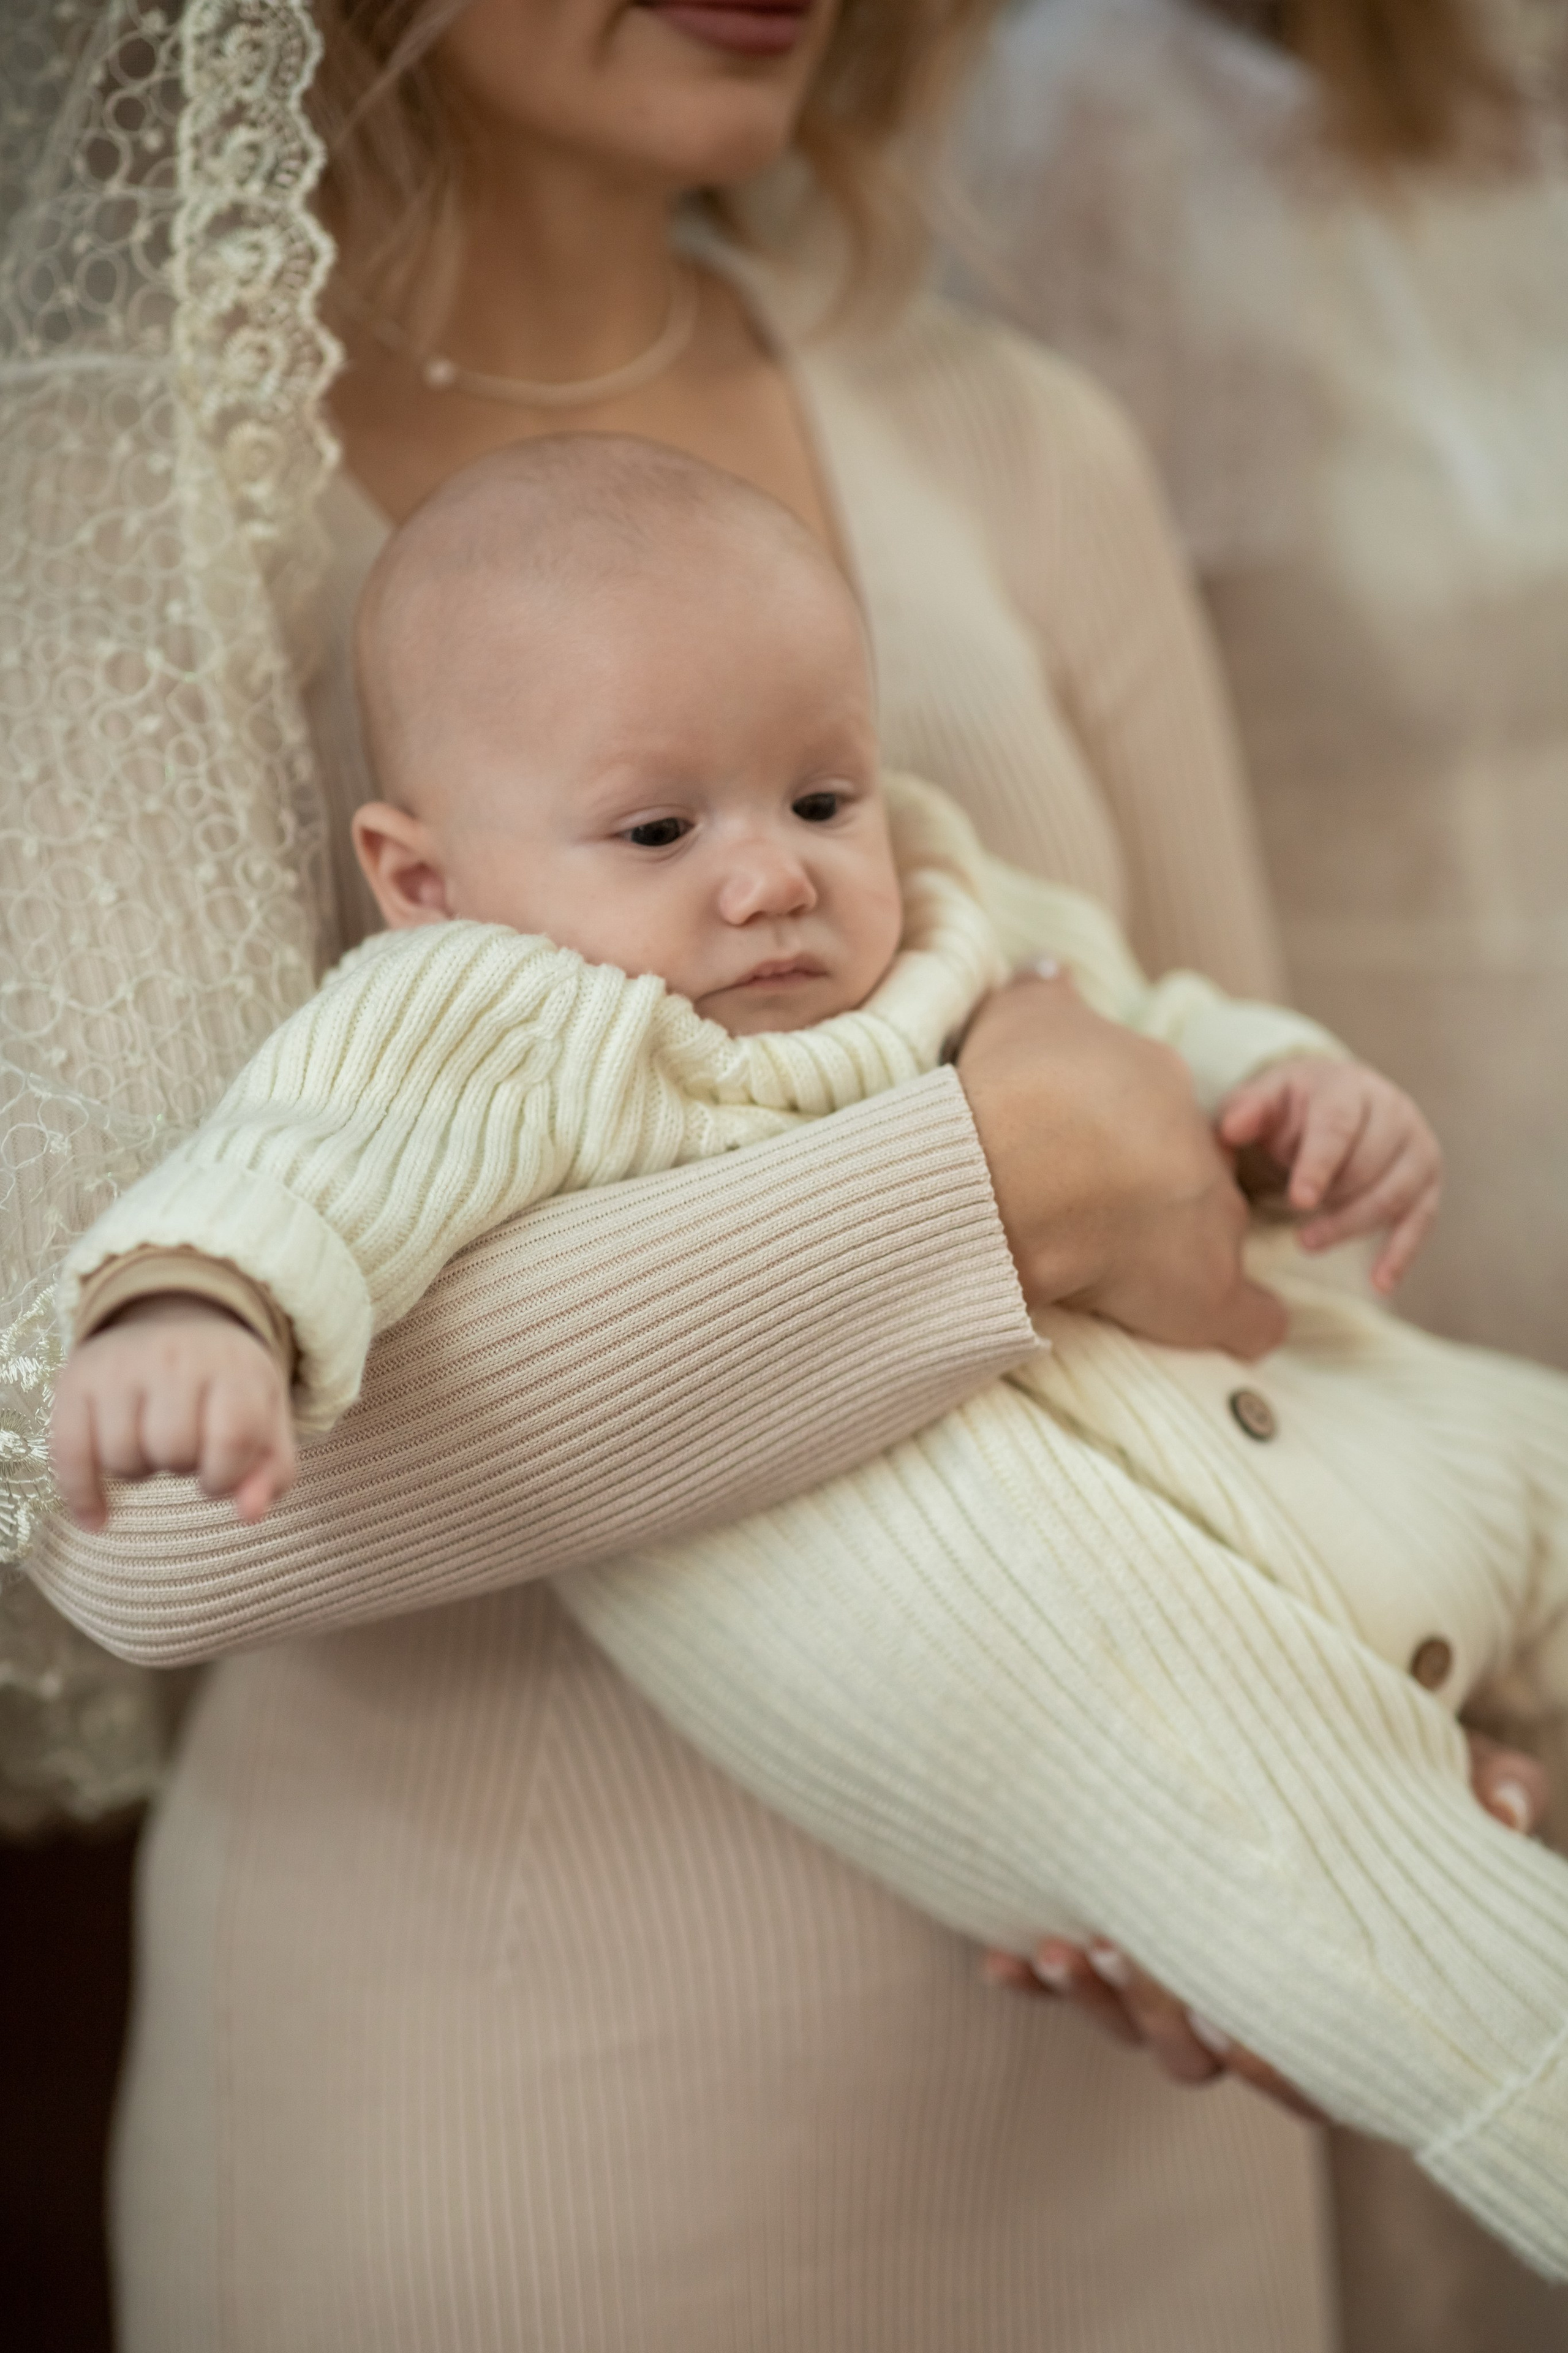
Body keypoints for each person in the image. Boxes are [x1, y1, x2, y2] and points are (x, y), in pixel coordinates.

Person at [0, 1, 1536, 2343]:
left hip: (1171, 2078)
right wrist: (989, 1185)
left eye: (819, 804)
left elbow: (1226, 1210)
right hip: (526, 2146)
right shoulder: (106, 513)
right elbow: (147, 1519)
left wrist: (1433, 1722)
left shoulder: (1017, 445)